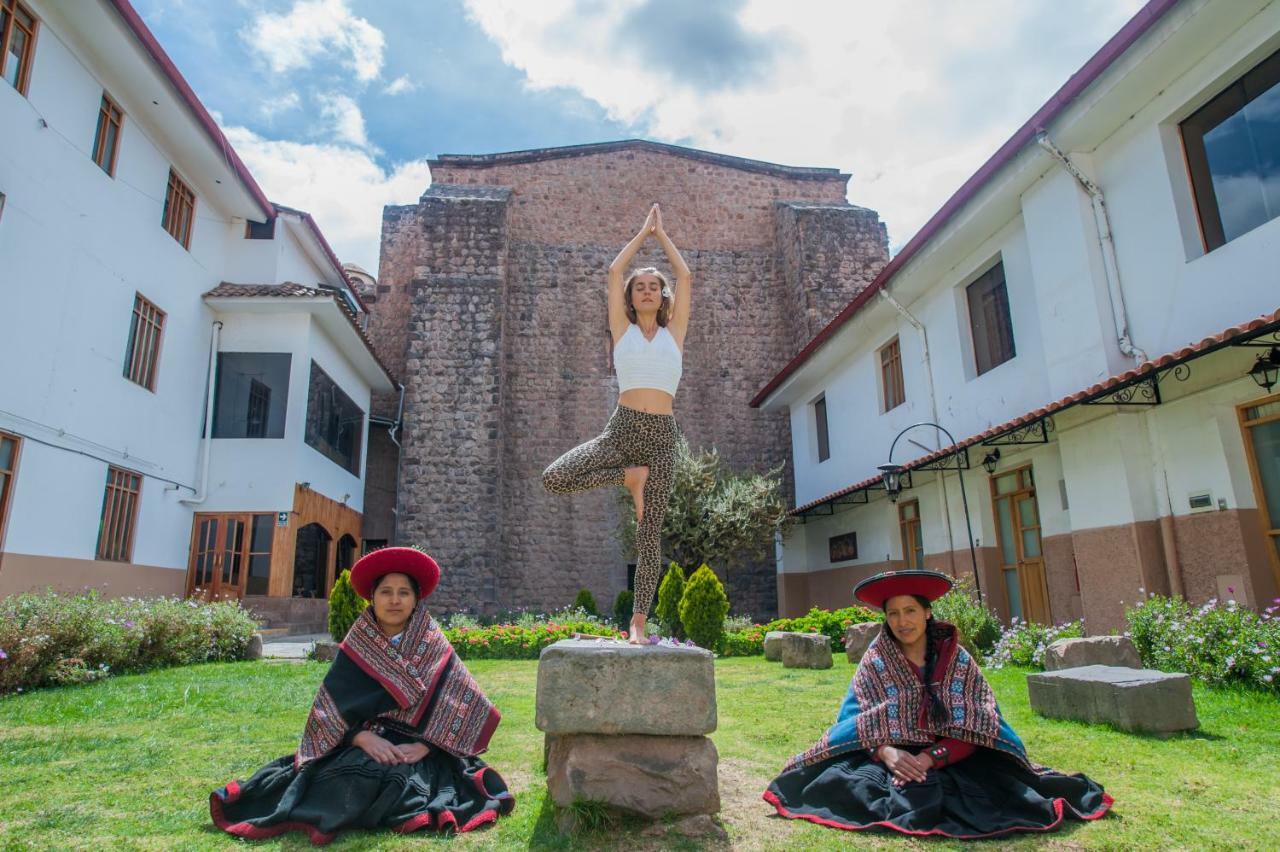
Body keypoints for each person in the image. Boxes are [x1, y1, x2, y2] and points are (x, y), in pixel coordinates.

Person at [764, 569, 1112, 839]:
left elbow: (980, 722)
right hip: (892, 755)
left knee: (994, 797)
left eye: (911, 611)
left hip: (952, 754)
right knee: (844, 787)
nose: (903, 622)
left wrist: (929, 758)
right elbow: (858, 720)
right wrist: (889, 755)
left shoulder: (956, 659)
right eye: (894, 613)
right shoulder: (876, 659)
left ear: (928, 612)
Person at [210, 547, 514, 842]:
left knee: (403, 781)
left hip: (422, 746)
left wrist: (426, 746)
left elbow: (462, 703)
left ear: (415, 599)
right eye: (386, 592)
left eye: (404, 592)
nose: (394, 600)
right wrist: (359, 738)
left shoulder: (433, 643)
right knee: (354, 776)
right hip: (368, 739)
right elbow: (328, 710)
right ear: (373, 597)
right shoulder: (358, 646)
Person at [543, 203, 691, 644]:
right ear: (630, 297)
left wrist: (662, 237)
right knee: (555, 478)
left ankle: (639, 622)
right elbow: (612, 272)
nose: (646, 291)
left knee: (650, 534)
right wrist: (642, 233)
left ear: (662, 297)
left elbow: (686, 277)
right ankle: (628, 477)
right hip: (622, 430)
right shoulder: (621, 331)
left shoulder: (674, 334)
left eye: (653, 287)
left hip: (662, 437)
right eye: (639, 287)